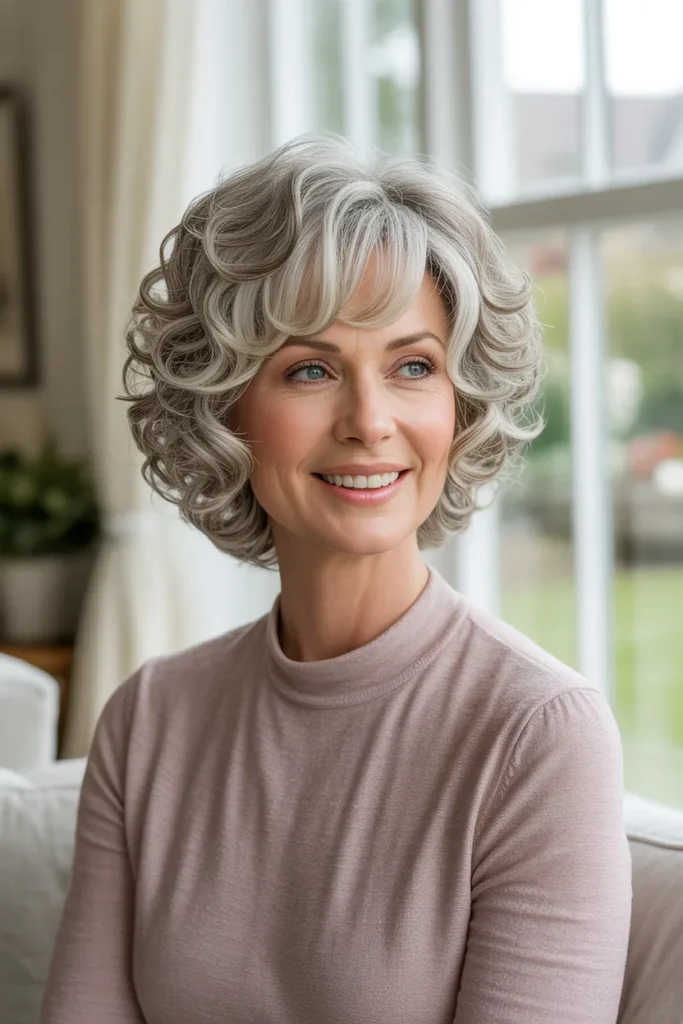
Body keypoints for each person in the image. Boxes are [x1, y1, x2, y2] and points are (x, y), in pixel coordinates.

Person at [40, 133, 632, 1024]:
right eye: (310, 369)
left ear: (461, 406)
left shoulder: (539, 735)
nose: (368, 420)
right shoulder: (148, 720)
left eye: (412, 366)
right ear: (223, 405)